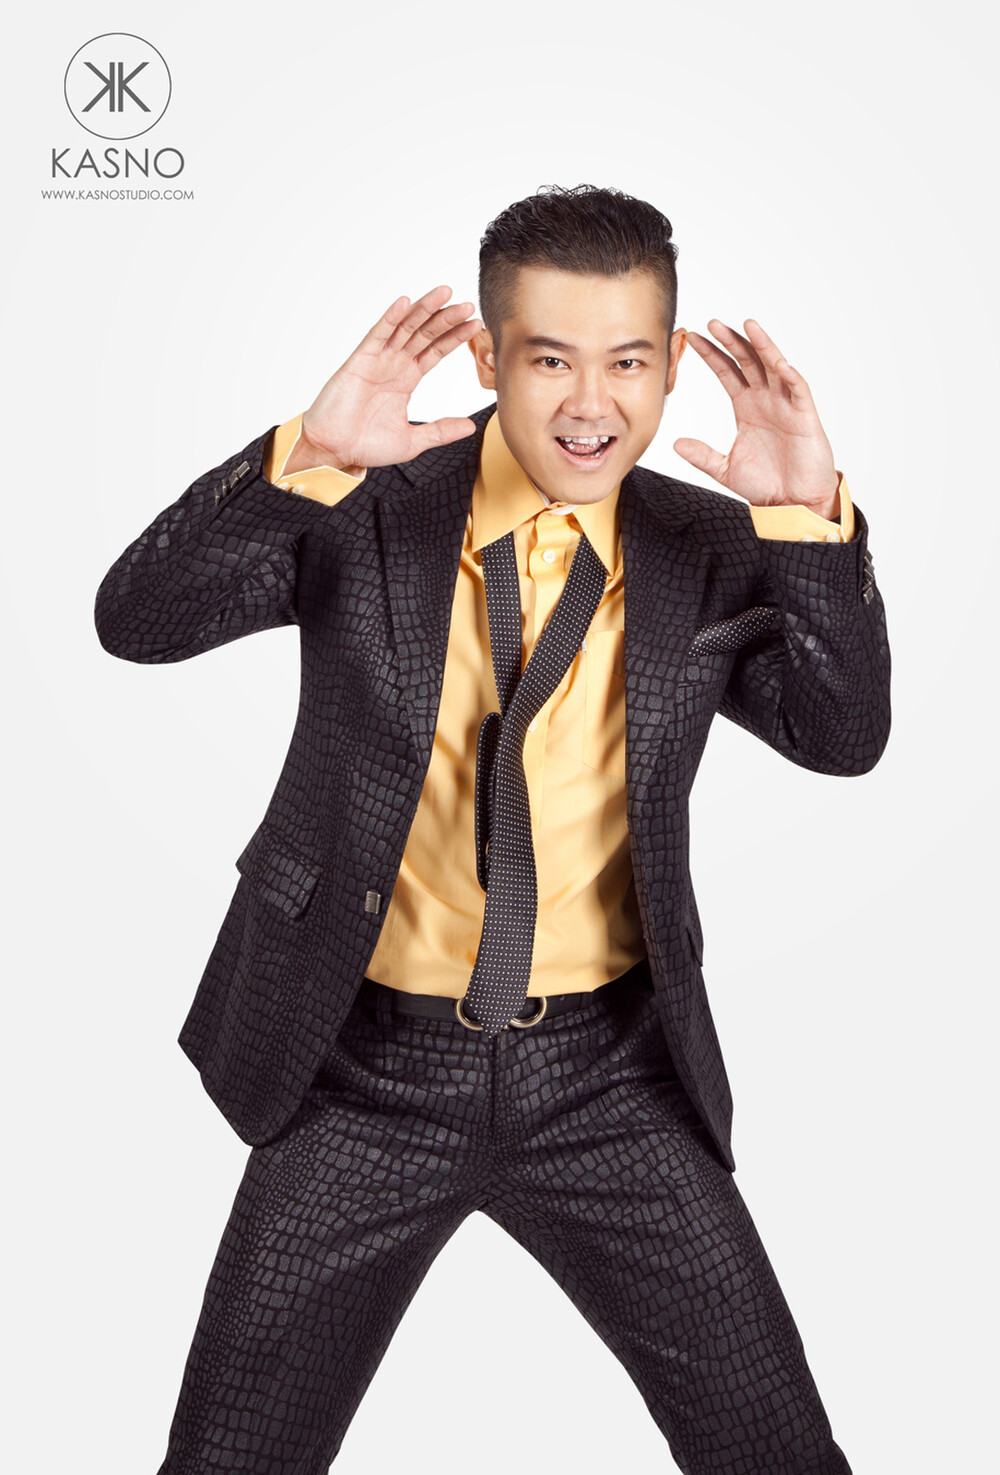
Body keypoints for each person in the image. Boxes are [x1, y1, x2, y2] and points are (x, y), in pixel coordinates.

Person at [94, 183, 890, 1474]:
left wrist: (806, 523)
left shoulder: (709, 544)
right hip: (361, 1074)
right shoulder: (369, 502)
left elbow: (842, 737)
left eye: (628, 361)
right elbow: (138, 621)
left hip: (612, 1079)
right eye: (551, 359)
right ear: (487, 359)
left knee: (776, 1453)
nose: (591, 402)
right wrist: (311, 458)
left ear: (670, 367)